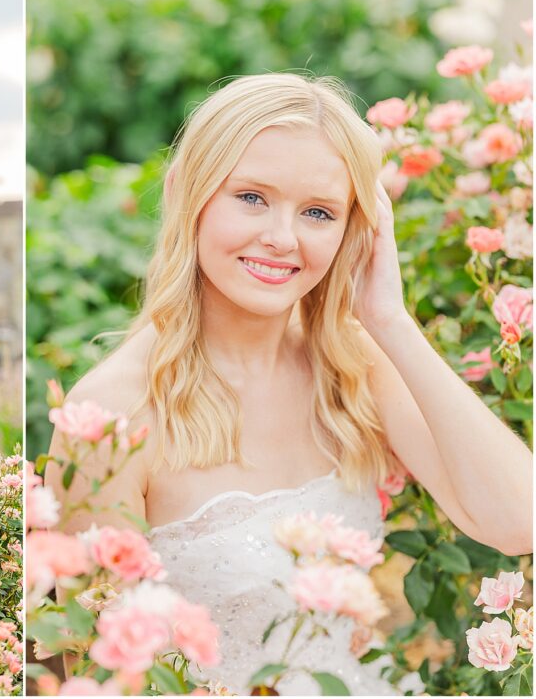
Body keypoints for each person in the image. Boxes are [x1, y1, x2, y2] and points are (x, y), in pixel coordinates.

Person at [47, 74, 532, 695]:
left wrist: (391, 320)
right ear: (184, 194)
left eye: (319, 212)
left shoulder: (354, 363)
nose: (282, 237)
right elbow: (99, 675)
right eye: (251, 197)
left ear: (356, 230)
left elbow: (519, 522)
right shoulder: (111, 414)